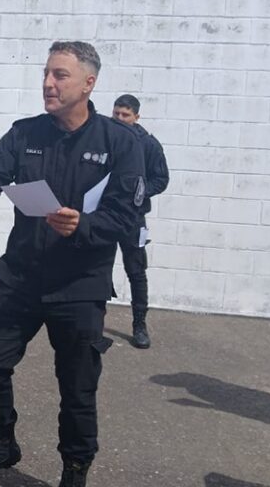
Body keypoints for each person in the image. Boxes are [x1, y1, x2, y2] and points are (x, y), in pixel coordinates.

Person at [0, 42, 145, 487]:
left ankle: (75, 469)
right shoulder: (25, 134)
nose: (48, 83)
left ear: (88, 83)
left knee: (77, 388)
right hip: (22, 277)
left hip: (80, 285)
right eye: (46, 73)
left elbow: (126, 216)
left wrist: (82, 226)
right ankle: (0, 444)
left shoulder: (120, 143)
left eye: (60, 75)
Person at [111, 94, 169, 349]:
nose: (120, 119)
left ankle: (139, 325)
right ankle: (91, 322)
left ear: (136, 117)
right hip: (104, 214)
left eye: (126, 115)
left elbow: (162, 179)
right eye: (117, 114)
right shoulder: (104, 137)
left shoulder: (149, 145)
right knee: (97, 267)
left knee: (136, 271)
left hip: (133, 218)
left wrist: (142, 190)